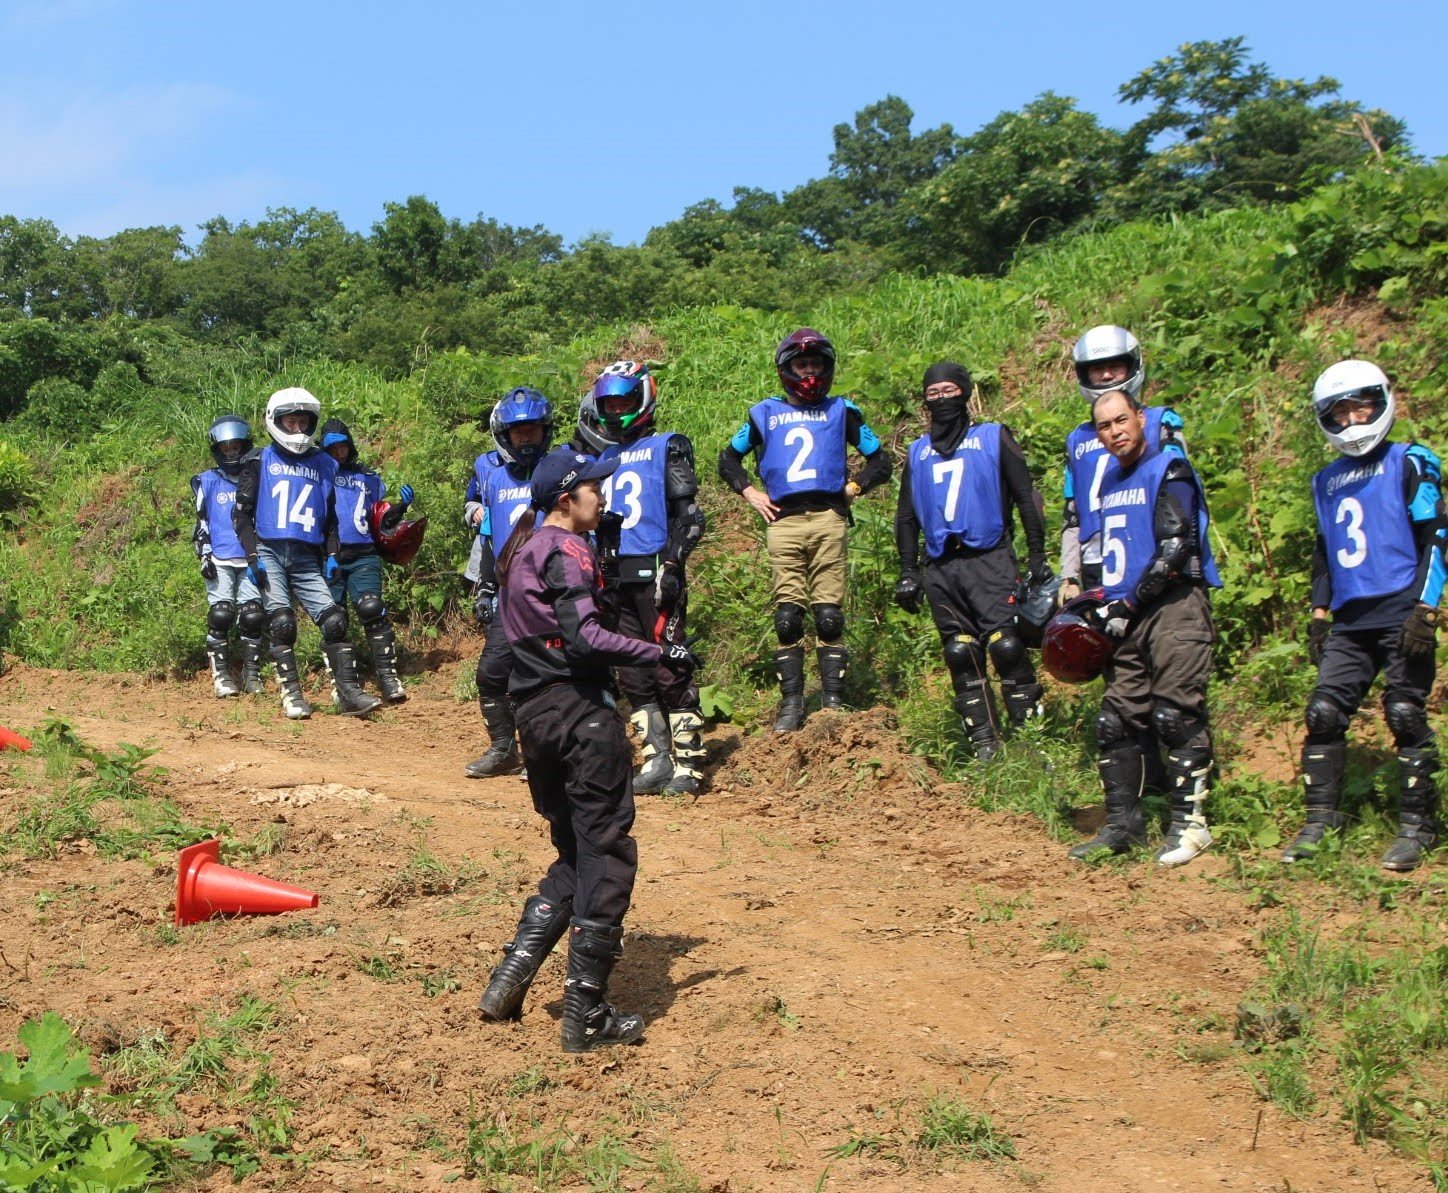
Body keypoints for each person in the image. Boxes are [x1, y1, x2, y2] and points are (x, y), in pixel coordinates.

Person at [476, 448, 696, 1052]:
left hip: (535, 718)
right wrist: (662, 653)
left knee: (575, 851)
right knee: (607, 854)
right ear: (564, 498)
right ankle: (586, 1015)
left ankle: (508, 981)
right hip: (580, 714)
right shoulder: (565, 548)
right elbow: (583, 635)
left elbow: (548, 623)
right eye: (594, 488)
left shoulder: (522, 549)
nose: (604, 495)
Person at [1283, 360, 1445, 871]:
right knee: (1323, 714)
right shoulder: (1325, 480)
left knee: (1403, 712)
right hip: (1351, 618)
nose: (1353, 420)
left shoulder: (1410, 460)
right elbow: (1324, 551)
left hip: (1403, 607)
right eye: (1339, 412)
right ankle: (1319, 822)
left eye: (1361, 405)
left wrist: (1427, 609)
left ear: (1381, 402)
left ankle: (1419, 828)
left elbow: (1436, 538)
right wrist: (1318, 613)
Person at [1067, 389, 1222, 866]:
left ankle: (1190, 827)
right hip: (1124, 615)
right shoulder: (1110, 481)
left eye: (1121, 420)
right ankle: (1122, 826)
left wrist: (1129, 603)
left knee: (1175, 714)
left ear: (1141, 418)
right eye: (1104, 426)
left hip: (1171, 606)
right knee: (1115, 720)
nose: (1114, 431)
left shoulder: (1169, 469)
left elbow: (1176, 549)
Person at [718, 328, 891, 732]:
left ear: (828, 368)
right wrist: (750, 493)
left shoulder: (842, 411)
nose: (810, 372)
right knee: (788, 617)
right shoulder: (764, 414)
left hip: (828, 518)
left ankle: (833, 703)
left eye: (816, 364)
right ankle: (792, 705)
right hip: (784, 521)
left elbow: (879, 461)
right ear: (786, 369)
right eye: (802, 364)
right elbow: (728, 460)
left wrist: (853, 488)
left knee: (829, 615)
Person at [894, 363, 1049, 760]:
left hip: (990, 558)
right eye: (933, 393)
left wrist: (1036, 556)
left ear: (965, 393)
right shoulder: (917, 451)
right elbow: (907, 516)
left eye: (949, 390)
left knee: (1007, 646)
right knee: (960, 653)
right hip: (943, 568)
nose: (942, 398)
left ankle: (1031, 743)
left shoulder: (993, 437)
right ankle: (984, 746)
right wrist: (909, 570)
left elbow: (1025, 496)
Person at [1060, 325, 1186, 789]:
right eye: (1097, 369)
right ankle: (1146, 786)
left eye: (1115, 366)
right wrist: (1069, 574)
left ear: (1134, 367)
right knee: (1121, 679)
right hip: (1101, 567)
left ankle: (1182, 791)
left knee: (1168, 679)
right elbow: (1072, 511)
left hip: (1153, 562)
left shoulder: (1159, 422)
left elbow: (1176, 494)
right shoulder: (1078, 439)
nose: (1108, 375)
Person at [578, 361, 708, 794]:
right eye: (609, 403)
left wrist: (673, 565)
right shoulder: (600, 458)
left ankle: (690, 764)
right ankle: (656, 760)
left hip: (655, 573)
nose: (616, 411)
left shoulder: (667, 446)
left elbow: (689, 517)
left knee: (670, 664)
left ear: (644, 399)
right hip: (614, 578)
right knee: (632, 671)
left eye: (624, 401)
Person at [233, 387, 382, 719]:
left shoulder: (324, 463)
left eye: (303, 422)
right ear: (276, 422)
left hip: (306, 554)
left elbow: (330, 518)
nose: (298, 429)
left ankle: (347, 695)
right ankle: (292, 696)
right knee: (282, 622)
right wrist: (253, 555)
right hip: (269, 550)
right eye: (291, 422)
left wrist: (331, 553)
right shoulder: (258, 460)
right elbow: (241, 514)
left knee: (334, 620)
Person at [463, 387, 554, 777]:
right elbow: (486, 531)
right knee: (492, 674)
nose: (526, 439)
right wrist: (484, 586)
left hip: (553, 593)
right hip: (507, 593)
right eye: (519, 433)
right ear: (504, 435)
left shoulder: (561, 466)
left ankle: (545, 755)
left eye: (532, 431)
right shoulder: (487, 470)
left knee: (546, 675)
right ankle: (504, 749)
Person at [319, 419, 414, 704]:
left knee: (371, 607)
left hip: (363, 554)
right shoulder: (315, 475)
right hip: (326, 556)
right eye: (331, 448)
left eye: (342, 446)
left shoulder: (367, 477)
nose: (338, 452)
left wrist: (399, 509)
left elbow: (378, 519)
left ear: (350, 445)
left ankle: (387, 678)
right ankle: (342, 685)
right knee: (334, 620)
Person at [192, 414, 266, 698]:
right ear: (217, 450)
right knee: (221, 615)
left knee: (252, 616)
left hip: (250, 556)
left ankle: (252, 675)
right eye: (226, 448)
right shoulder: (206, 480)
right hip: (220, 557)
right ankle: (222, 676)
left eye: (236, 446)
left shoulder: (257, 478)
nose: (232, 452)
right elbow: (201, 522)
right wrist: (205, 554)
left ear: (245, 446)